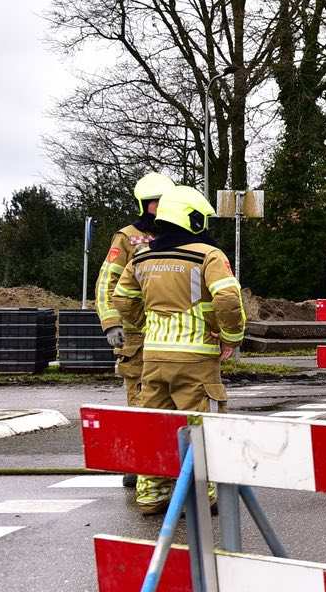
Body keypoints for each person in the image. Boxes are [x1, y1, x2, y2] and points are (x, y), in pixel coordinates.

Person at [112, 185, 246, 515]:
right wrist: (230, 336)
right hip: (195, 359)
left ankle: (151, 495)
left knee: (155, 425)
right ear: (194, 219)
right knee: (200, 424)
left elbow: (122, 299)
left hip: (153, 356)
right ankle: (203, 495)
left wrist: (146, 323)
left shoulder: (142, 256)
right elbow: (228, 299)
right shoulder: (208, 255)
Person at [95, 172, 172, 492]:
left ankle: (163, 463)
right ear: (143, 205)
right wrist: (111, 323)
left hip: (167, 332)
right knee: (140, 399)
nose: (159, 208)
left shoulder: (174, 234)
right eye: (154, 203)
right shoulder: (127, 238)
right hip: (136, 336)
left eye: (164, 202)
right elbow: (106, 283)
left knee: (167, 400)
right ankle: (140, 465)